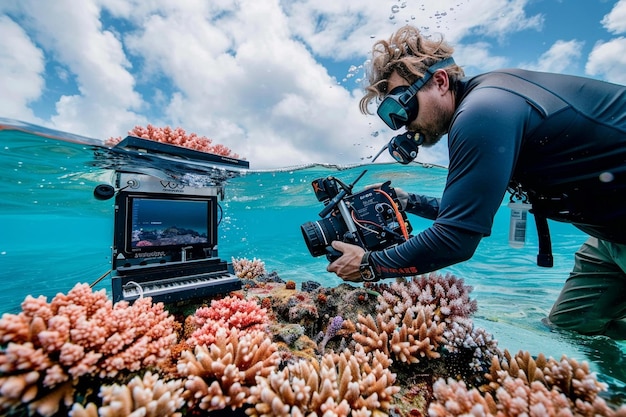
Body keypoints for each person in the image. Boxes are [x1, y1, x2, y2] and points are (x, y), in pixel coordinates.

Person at [326, 25, 626, 339]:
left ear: (440, 82)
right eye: (392, 116)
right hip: (610, 238)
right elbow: (465, 215)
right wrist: (407, 201)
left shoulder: (482, 112)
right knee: (571, 330)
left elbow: (456, 238)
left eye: (403, 105)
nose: (403, 124)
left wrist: (369, 265)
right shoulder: (490, 106)